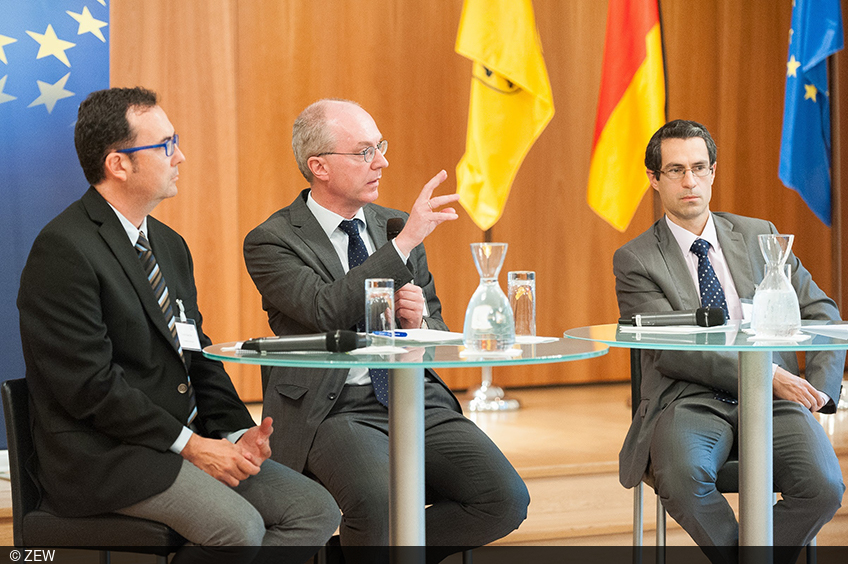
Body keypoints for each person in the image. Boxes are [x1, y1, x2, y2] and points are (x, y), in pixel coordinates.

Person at [17, 87, 340, 564]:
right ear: (118, 164)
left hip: (182, 441)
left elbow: (195, 354)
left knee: (314, 509)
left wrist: (234, 435)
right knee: (239, 527)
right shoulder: (63, 251)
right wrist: (192, 447)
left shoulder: (168, 244)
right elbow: (91, 387)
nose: (181, 156)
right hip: (109, 457)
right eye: (165, 145)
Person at [242, 99, 529, 561]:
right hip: (334, 409)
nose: (382, 161)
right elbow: (322, 309)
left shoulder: (392, 226)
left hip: (414, 396)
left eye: (381, 146)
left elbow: (437, 324)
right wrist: (405, 243)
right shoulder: (273, 240)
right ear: (319, 167)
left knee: (504, 499)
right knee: (378, 503)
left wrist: (418, 323)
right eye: (364, 152)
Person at [614, 119, 844, 559]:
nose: (690, 181)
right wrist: (771, 374)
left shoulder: (760, 235)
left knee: (825, 487)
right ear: (654, 179)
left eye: (700, 168)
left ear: (713, 172)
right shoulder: (636, 260)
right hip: (688, 398)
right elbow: (671, 349)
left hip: (777, 401)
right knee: (683, 478)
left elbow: (822, 313)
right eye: (676, 170)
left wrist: (820, 392)